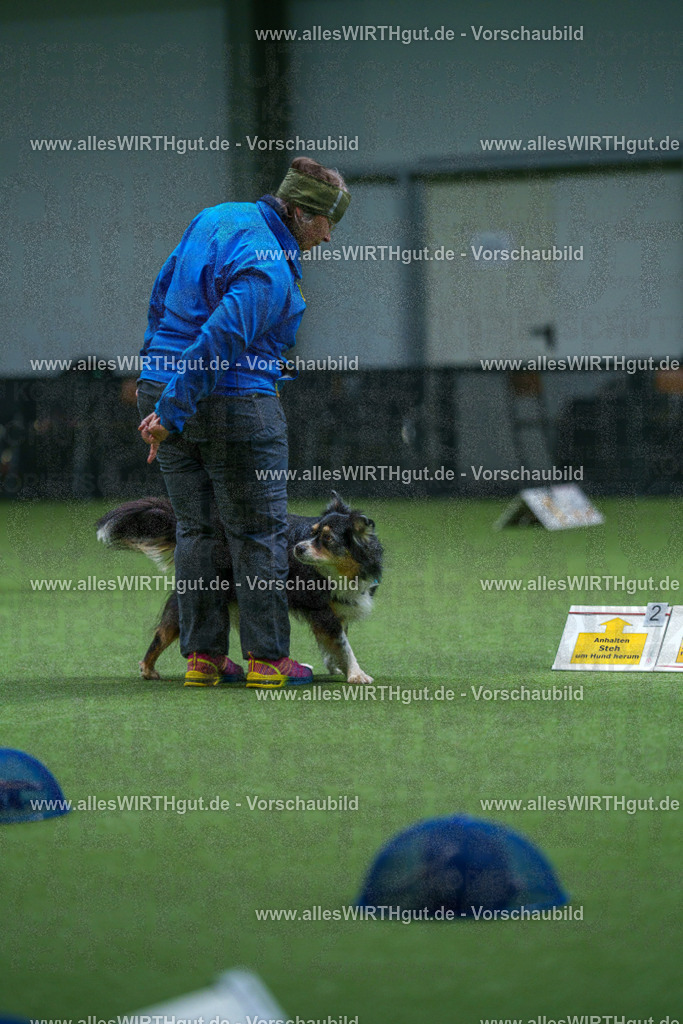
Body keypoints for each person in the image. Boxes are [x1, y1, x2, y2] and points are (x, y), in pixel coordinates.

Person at [136, 157, 350, 687]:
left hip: (165, 384)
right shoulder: (270, 266)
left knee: (196, 531)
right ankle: (268, 658)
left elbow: (161, 293)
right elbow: (222, 339)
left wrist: (156, 375)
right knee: (257, 533)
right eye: (326, 223)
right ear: (300, 213)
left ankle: (203, 659)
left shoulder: (214, 217)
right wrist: (173, 409)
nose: (327, 239)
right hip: (230, 402)